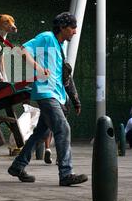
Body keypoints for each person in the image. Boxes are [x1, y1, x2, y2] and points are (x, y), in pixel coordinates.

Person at [7, 12, 87, 186]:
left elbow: (65, 75)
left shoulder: (61, 46)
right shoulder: (46, 37)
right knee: (63, 129)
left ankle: (17, 166)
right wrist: (37, 67)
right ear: (62, 27)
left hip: (57, 95)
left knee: (40, 134)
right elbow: (23, 50)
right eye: (72, 28)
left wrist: (75, 100)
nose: (74, 32)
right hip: (46, 93)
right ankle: (66, 174)